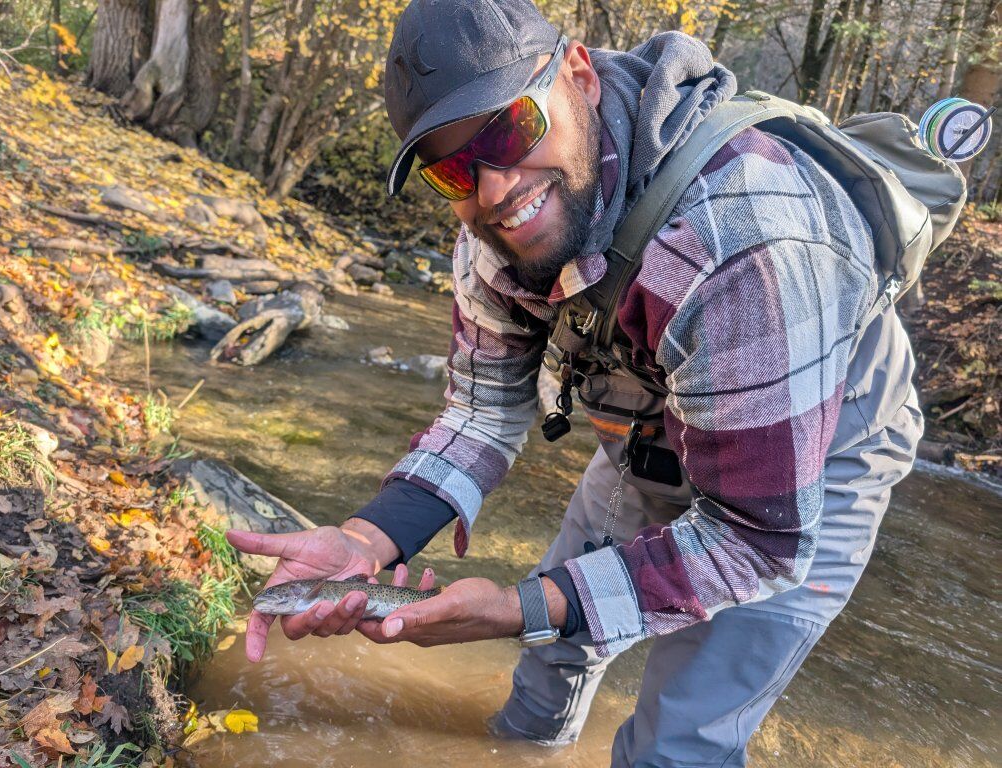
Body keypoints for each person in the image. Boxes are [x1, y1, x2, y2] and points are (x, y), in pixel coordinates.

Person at [226, 1, 924, 764]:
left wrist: (519, 605)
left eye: (508, 130)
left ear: (580, 76)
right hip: (650, 425)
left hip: (807, 465)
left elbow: (757, 540)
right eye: (456, 167)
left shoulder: (743, 242)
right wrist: (364, 538)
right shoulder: (493, 237)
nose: (494, 189)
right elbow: (482, 413)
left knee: (673, 746)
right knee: (546, 665)